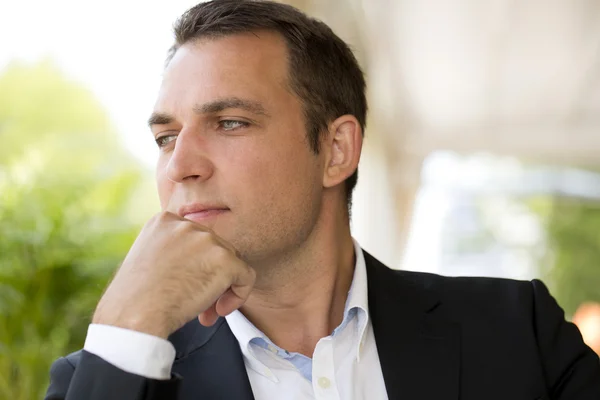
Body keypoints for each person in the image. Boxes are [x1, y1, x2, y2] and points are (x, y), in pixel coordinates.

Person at [44, 1, 600, 399]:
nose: (181, 164)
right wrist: (127, 323)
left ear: (336, 150)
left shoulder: (515, 332)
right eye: (166, 137)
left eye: (230, 122)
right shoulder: (107, 375)